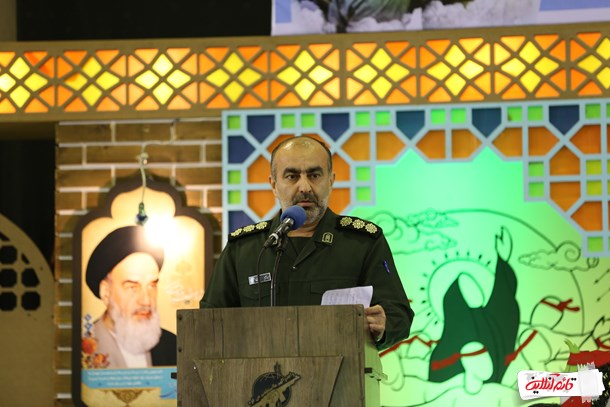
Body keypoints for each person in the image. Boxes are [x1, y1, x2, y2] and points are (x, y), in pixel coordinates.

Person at [200, 136, 414, 350]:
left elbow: (398, 315)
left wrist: (383, 325)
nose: (305, 187)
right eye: (292, 176)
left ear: (330, 181)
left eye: (314, 175)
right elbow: (208, 323)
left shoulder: (362, 243)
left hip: (343, 370)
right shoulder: (244, 249)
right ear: (274, 185)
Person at [84, 226, 176, 368]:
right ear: (106, 292)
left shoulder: (173, 346)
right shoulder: (83, 348)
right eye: (132, 287)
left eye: (152, 286)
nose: (146, 301)